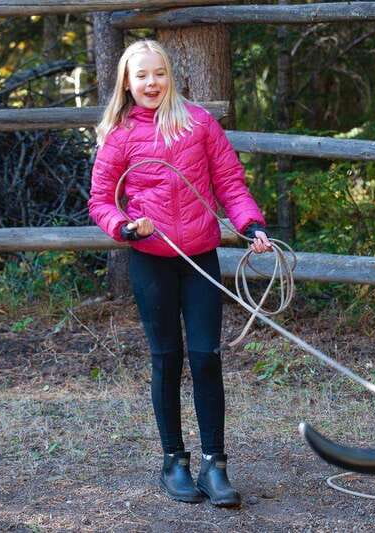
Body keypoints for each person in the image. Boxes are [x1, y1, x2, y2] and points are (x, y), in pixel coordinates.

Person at [88, 40, 273, 507]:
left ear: (171, 76)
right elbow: (101, 201)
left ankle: (215, 464)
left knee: (207, 357)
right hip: (151, 260)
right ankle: (174, 461)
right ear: (127, 83)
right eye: (142, 75)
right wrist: (124, 227)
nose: (151, 83)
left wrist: (251, 225)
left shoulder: (199, 124)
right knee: (167, 359)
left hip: (200, 258)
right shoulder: (120, 135)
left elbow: (230, 183)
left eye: (159, 74)